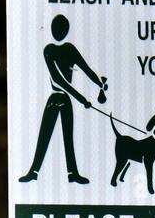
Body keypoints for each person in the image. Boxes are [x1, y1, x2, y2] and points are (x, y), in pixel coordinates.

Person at [19, 15, 106, 184]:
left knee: (68, 138)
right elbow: (58, 79)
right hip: (56, 97)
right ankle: (33, 171)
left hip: (66, 100)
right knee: (44, 136)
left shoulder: (70, 49)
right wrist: (82, 99)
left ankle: (72, 173)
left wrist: (99, 84)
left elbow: (87, 70)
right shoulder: (49, 50)